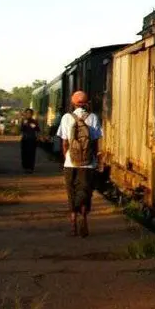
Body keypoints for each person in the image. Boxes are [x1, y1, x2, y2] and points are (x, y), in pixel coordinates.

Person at [57, 90, 102, 238]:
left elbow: (64, 142)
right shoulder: (93, 117)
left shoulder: (66, 118)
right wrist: (94, 159)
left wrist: (67, 157)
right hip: (88, 164)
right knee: (85, 192)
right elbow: (95, 142)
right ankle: (83, 217)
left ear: (73, 103)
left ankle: (73, 224)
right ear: (87, 103)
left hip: (70, 163)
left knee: (71, 192)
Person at [19, 108, 40, 173]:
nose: (28, 114)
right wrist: (24, 124)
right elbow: (21, 129)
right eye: (27, 113)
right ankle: (25, 167)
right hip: (25, 139)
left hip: (32, 140)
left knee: (31, 154)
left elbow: (37, 129)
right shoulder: (23, 121)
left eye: (30, 113)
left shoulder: (34, 121)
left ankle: (30, 168)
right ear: (25, 114)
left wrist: (32, 125)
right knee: (24, 154)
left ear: (32, 114)